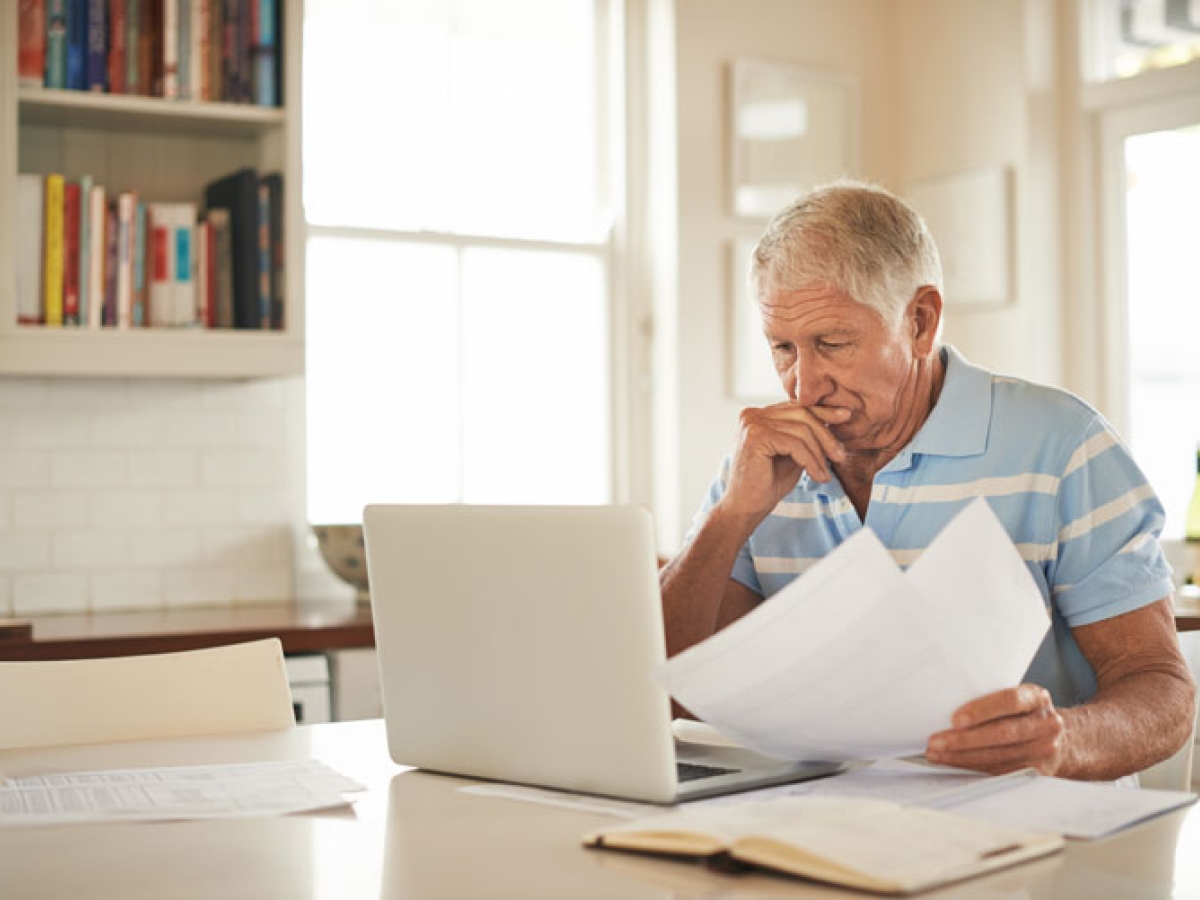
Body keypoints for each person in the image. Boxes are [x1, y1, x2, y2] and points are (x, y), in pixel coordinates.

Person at [661, 181, 1195, 780]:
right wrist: (730, 516)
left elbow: (1163, 693)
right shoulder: (760, 464)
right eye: (782, 347)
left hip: (1030, 833)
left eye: (833, 344)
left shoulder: (1064, 445)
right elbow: (670, 696)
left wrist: (1061, 741)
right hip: (821, 832)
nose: (802, 385)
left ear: (920, 321)